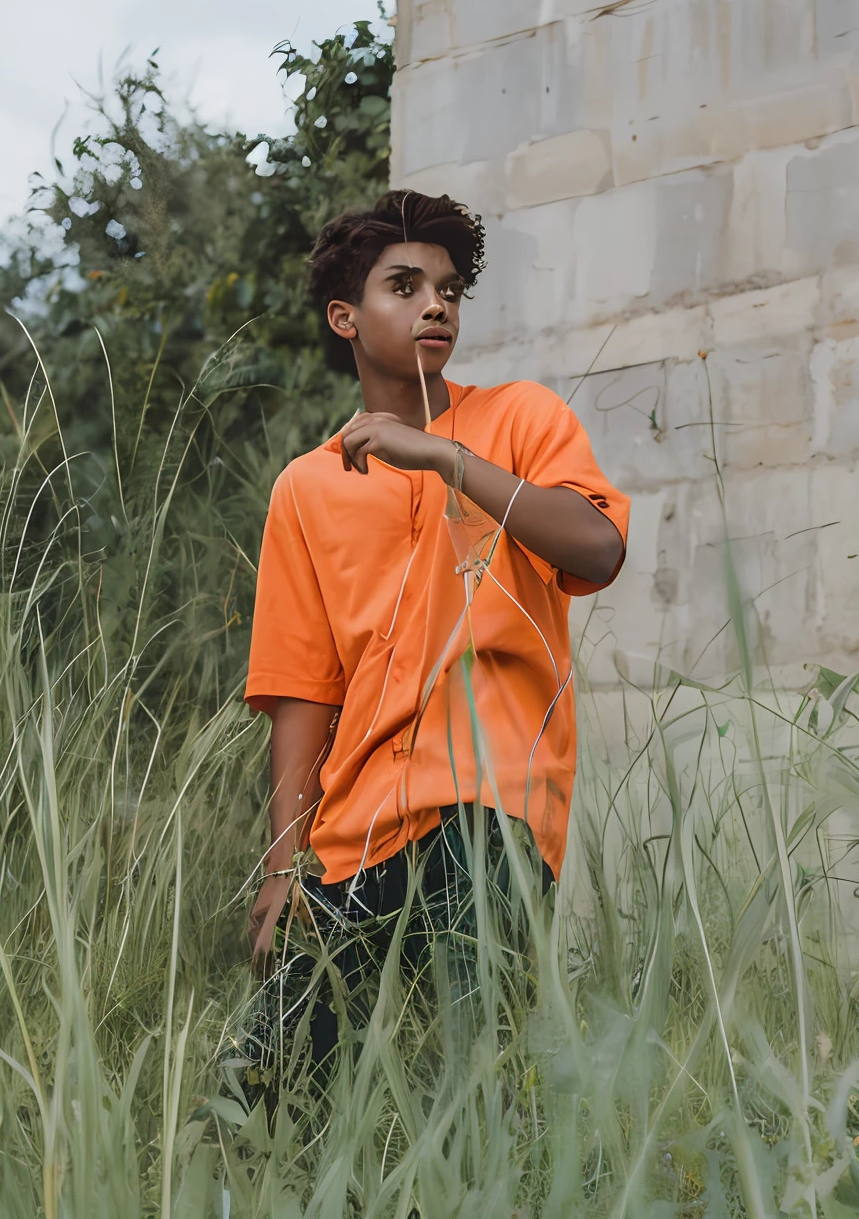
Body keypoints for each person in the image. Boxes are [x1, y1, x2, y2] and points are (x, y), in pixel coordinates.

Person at [241, 189, 629, 1071]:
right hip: (353, 830)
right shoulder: (306, 488)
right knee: (269, 1090)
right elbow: (304, 691)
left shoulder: (520, 420)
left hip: (494, 805)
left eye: (449, 289)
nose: (435, 306)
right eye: (405, 286)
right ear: (346, 316)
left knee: (467, 1080)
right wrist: (281, 869)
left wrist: (447, 458)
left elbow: (598, 550)